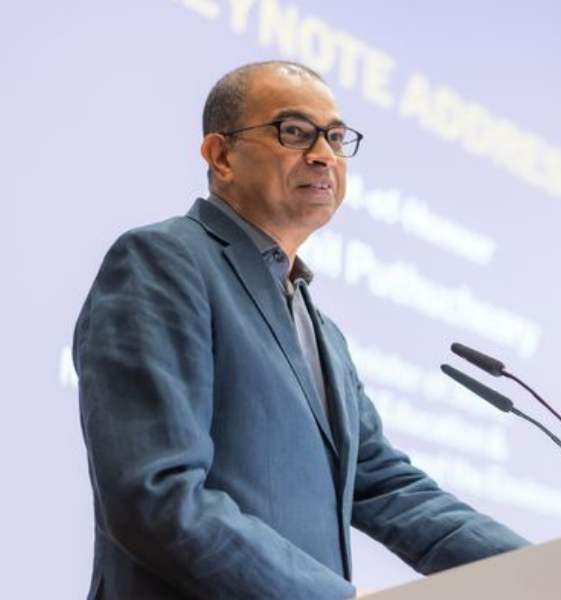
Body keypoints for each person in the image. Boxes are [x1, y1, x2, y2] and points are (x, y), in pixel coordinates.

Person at [73, 61, 528, 600]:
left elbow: (388, 487)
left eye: (335, 137)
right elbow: (157, 496)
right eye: (294, 132)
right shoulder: (164, 261)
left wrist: (552, 569)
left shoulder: (322, 329)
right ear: (221, 156)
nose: (323, 154)